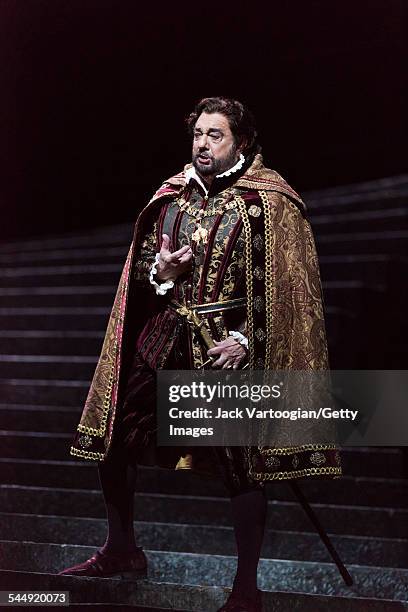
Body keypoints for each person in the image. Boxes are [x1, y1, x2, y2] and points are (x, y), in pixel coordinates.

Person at [59, 97, 341, 612]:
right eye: (199, 134)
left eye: (215, 135)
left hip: (225, 349)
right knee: (115, 435)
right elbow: (145, 262)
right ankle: (121, 548)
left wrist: (250, 340)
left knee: (240, 464)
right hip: (167, 334)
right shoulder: (173, 195)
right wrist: (161, 274)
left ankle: (246, 586)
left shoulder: (268, 203)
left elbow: (289, 291)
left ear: (242, 143)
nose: (203, 144)